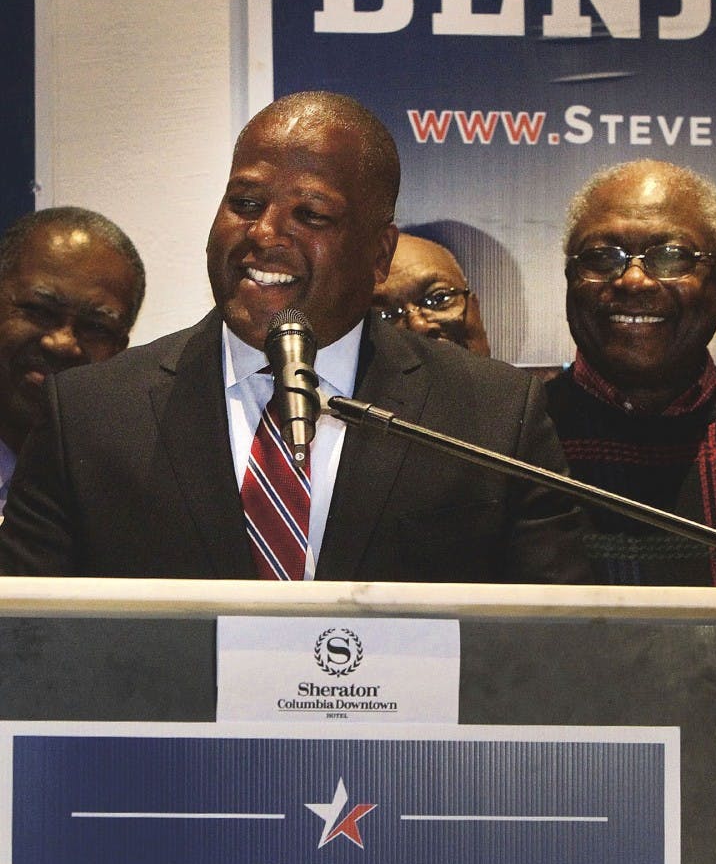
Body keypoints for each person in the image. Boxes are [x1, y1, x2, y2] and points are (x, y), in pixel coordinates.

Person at [0, 90, 589, 582]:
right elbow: (24, 650)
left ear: (378, 255)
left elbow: (550, 655)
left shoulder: (492, 418)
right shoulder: (88, 414)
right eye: (246, 202)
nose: (263, 232)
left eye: (311, 215)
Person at [546, 158, 716, 586]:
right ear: (569, 283)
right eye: (602, 257)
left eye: (672, 256)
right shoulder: (515, 433)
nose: (634, 280)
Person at [0, 206, 145, 515]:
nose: (62, 344)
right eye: (39, 310)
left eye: (96, 327)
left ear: (122, 349)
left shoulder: (134, 501)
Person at [372, 233, 490, 355]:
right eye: (388, 315)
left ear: (474, 304)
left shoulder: (509, 374)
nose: (419, 325)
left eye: (438, 299)